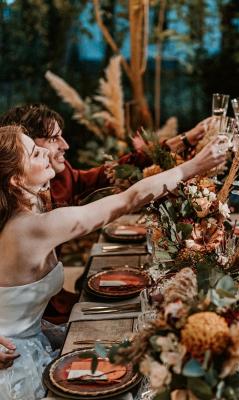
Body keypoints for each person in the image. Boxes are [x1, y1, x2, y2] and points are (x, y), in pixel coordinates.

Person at [0, 125, 225, 399]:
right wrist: (192, 166)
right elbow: (127, 201)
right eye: (36, 153)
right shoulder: (31, 228)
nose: (47, 152)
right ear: (15, 180)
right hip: (15, 362)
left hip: (31, 339)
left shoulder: (23, 212)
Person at [0, 104, 207, 208]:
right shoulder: (12, 210)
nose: (66, 146)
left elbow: (116, 169)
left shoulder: (63, 176)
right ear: (23, 145)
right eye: (53, 139)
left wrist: (185, 139)